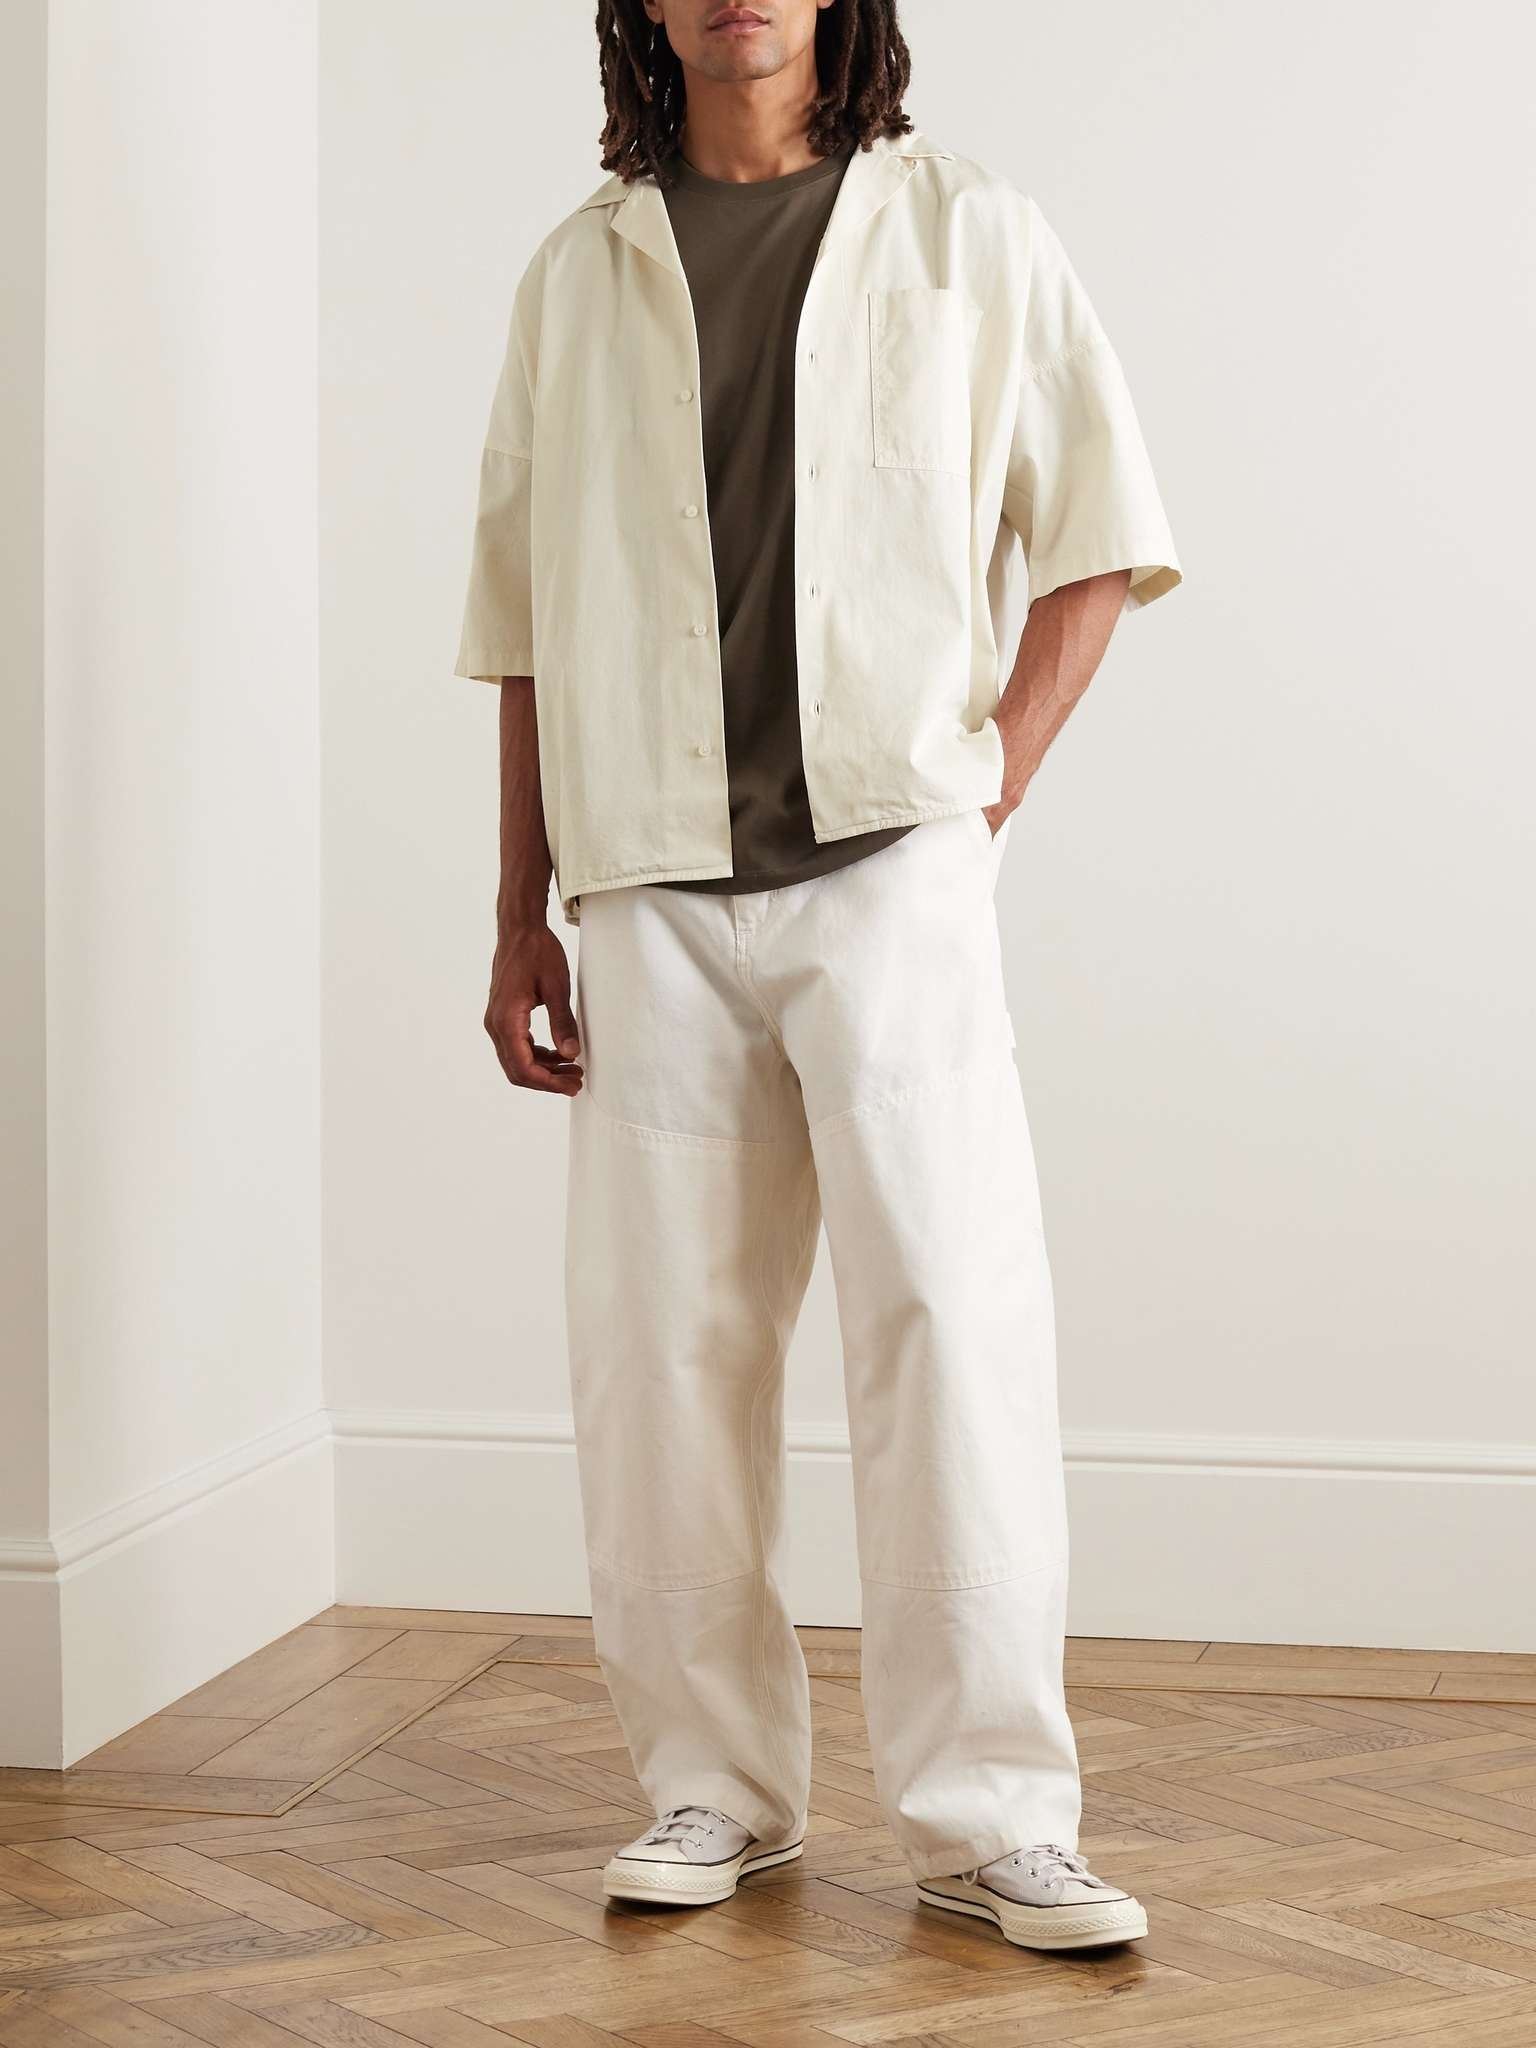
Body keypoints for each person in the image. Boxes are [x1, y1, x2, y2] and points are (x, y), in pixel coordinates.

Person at [452, 0, 1180, 1953]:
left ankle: (996, 1816)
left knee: (951, 1326)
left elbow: (1098, 531)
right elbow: (525, 617)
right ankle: (712, 1787)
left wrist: (984, 795)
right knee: (662, 1356)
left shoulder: (968, 231)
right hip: (649, 887)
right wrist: (519, 906)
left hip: (891, 872)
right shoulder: (577, 275)